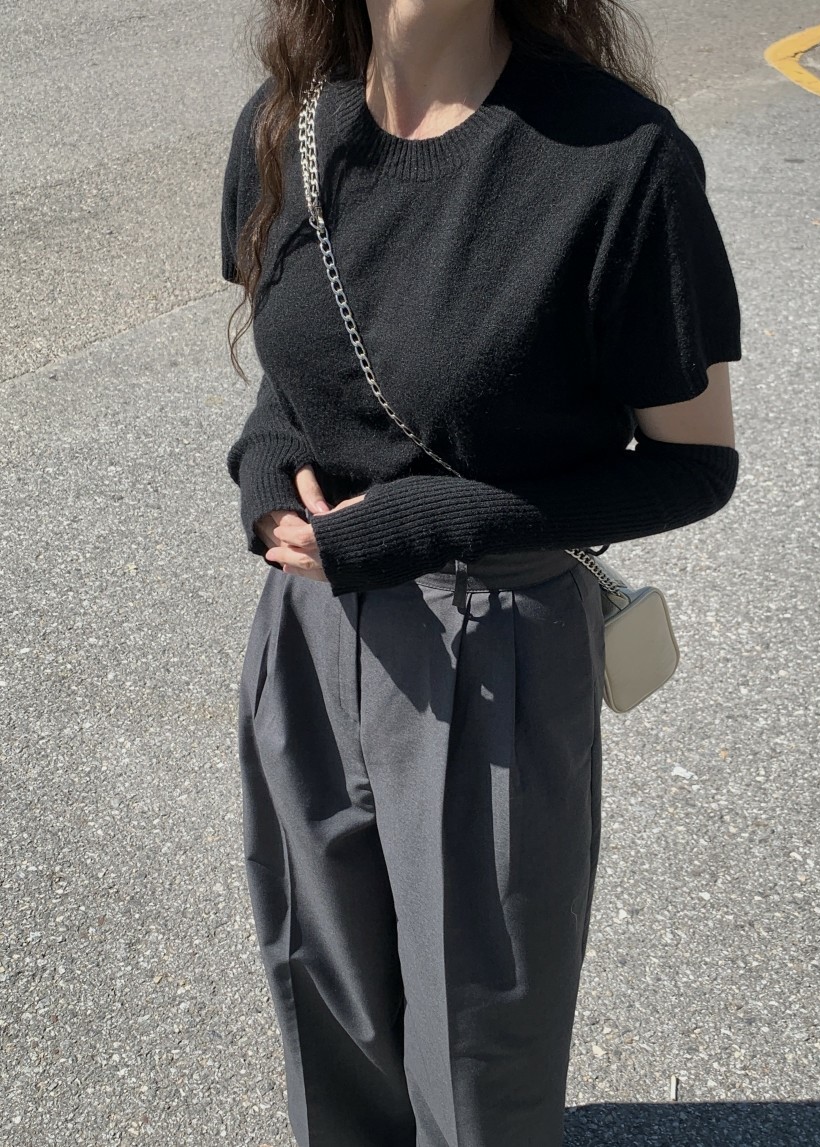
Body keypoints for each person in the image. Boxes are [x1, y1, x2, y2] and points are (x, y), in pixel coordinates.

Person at [220, 2, 741, 1145]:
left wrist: (438, 520)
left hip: (493, 639)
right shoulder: (286, 125)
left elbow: (695, 464)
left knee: (477, 1046)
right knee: (323, 990)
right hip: (305, 630)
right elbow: (293, 372)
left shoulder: (615, 157)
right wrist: (263, 466)